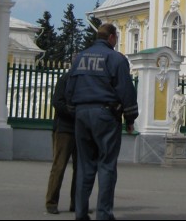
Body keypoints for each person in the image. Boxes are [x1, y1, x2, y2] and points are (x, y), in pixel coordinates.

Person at [66, 23, 138, 221]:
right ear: (112, 38)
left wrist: (75, 112)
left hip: (82, 114)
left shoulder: (79, 58)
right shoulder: (116, 58)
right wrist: (130, 118)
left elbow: (70, 89)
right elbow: (126, 90)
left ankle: (80, 214)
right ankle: (104, 214)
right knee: (106, 165)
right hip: (105, 115)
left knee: (84, 165)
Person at [45, 69, 78, 214]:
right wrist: (74, 112)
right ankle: (51, 203)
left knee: (81, 169)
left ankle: (77, 203)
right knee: (59, 166)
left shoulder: (84, 82)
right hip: (63, 129)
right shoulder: (65, 79)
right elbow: (57, 102)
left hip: (80, 130)